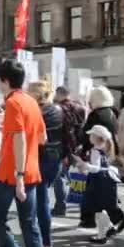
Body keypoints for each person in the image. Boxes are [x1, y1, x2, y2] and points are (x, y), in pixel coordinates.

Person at [0, 59, 46, 247]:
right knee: (30, 225)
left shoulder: (12, 103)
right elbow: (42, 137)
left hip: (11, 173)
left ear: (4, 80)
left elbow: (19, 138)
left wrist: (19, 175)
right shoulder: (31, 101)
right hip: (30, 170)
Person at [28, 81, 64, 247]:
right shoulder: (58, 111)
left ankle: (43, 243)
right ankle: (46, 242)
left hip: (39, 159)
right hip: (55, 160)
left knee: (38, 203)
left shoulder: (35, 112)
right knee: (43, 200)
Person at [77, 125, 124, 244]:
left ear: (97, 138)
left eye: (91, 135)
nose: (89, 137)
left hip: (97, 182)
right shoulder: (104, 149)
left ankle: (103, 234)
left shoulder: (95, 151)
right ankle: (107, 230)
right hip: (105, 181)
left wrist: (85, 166)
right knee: (100, 209)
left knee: (98, 209)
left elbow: (96, 169)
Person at [79, 85, 119, 228]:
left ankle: (88, 218)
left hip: (96, 152)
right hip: (110, 151)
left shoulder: (95, 114)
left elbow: (85, 135)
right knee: (106, 187)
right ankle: (110, 216)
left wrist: (82, 149)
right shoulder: (113, 112)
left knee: (91, 190)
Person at [53, 86, 87, 216]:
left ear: (59, 94)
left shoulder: (59, 108)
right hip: (78, 146)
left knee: (60, 177)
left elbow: (64, 130)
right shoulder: (80, 107)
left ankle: (60, 206)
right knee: (79, 175)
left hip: (64, 145)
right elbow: (82, 126)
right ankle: (83, 205)